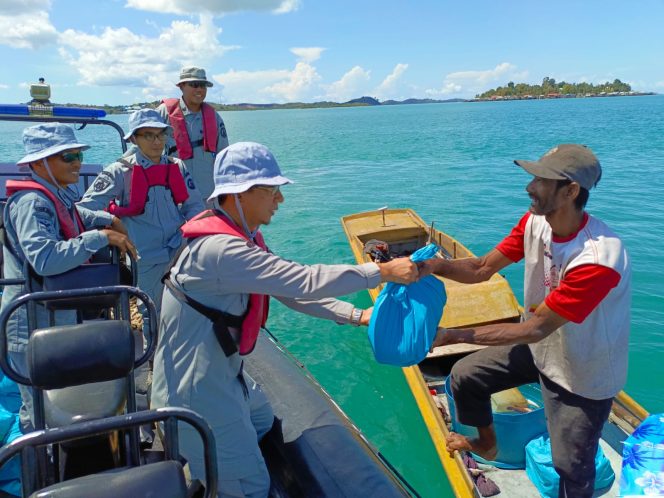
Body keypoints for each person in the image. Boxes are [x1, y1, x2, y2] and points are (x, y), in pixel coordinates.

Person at [151, 141, 418, 497]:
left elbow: (291, 293)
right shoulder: (221, 250)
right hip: (194, 393)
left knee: (261, 419)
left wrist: (358, 315)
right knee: (252, 488)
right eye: (273, 190)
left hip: (222, 373)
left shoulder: (239, 236)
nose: (280, 200)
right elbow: (305, 279)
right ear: (241, 194)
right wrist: (382, 271)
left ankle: (215, 463)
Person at [421, 144, 631, 497]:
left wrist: (447, 336)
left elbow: (534, 327)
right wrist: (432, 266)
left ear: (571, 190)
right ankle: (487, 445)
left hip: (582, 374)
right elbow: (481, 268)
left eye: (541, 179)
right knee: (465, 377)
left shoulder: (598, 259)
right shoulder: (535, 223)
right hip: (541, 350)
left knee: (571, 465)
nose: (529, 187)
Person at [0, 123, 136, 429]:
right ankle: (35, 465)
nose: (77, 162)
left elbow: (74, 214)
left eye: (77, 155)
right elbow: (45, 259)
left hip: (52, 320)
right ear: (39, 163)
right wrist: (101, 237)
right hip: (30, 327)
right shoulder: (32, 204)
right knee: (37, 409)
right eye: (68, 156)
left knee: (55, 402)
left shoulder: (53, 196)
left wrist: (109, 219)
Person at [79, 108, 205, 320]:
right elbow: (84, 209)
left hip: (180, 251)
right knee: (151, 313)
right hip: (145, 256)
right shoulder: (119, 171)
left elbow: (195, 206)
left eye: (161, 134)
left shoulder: (177, 166)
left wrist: (192, 237)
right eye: (148, 135)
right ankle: (154, 353)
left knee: (186, 309)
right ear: (135, 139)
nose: (157, 141)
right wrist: (111, 220)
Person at [157, 66, 229, 201]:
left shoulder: (214, 117)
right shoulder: (163, 113)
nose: (200, 89)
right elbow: (142, 145)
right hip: (171, 196)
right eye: (194, 85)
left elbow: (225, 156)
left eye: (203, 85)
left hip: (207, 196)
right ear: (181, 86)